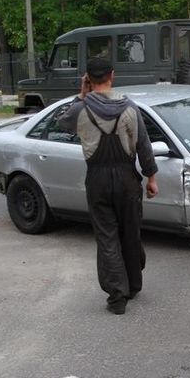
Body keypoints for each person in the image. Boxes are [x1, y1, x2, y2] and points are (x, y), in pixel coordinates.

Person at [59, 57, 158, 315]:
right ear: (112, 75)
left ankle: (117, 296)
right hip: (127, 179)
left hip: (98, 180)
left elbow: (62, 123)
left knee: (107, 237)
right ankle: (133, 284)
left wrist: (81, 96)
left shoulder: (80, 109)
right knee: (130, 230)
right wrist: (151, 178)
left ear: (88, 79)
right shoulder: (131, 108)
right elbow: (143, 145)